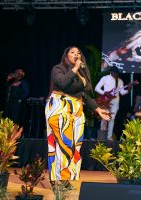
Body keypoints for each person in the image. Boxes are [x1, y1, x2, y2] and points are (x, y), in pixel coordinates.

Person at [45, 46, 110, 186]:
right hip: (60, 106)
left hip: (77, 108)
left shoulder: (82, 72)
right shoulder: (58, 68)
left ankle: (65, 178)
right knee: (63, 143)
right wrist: (74, 68)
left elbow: (84, 94)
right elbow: (62, 83)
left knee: (75, 144)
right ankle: (57, 179)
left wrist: (97, 109)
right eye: (72, 52)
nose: (76, 55)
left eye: (78, 53)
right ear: (66, 55)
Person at [95, 66, 131, 141]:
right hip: (105, 100)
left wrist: (128, 90)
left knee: (112, 118)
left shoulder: (120, 81)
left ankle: (109, 136)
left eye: (117, 73)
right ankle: (102, 136)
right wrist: (105, 93)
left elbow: (122, 92)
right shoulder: (105, 78)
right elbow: (97, 88)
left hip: (115, 101)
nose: (115, 74)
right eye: (114, 72)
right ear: (110, 72)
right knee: (104, 118)